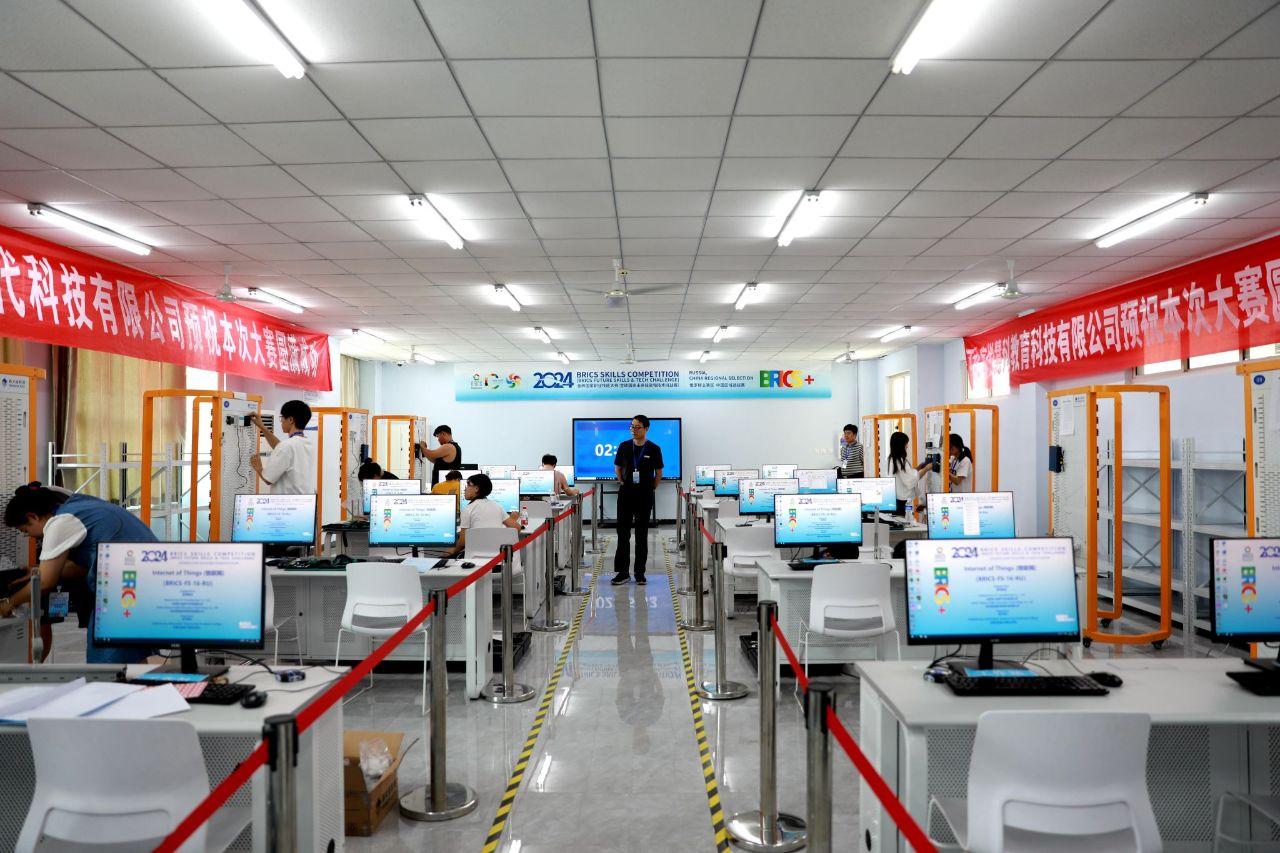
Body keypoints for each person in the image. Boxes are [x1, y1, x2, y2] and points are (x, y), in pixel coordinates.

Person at [0, 483, 157, 663]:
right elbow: (81, 567)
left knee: (108, 667)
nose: (30, 536)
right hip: (145, 581)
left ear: (32, 516)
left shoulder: (61, 523)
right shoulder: (80, 506)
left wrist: (9, 603)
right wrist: (40, 570)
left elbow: (45, 584)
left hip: (125, 589)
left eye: (26, 531)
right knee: (130, 658)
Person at [612, 415, 663, 586]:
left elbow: (658, 473)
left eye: (637, 427)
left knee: (642, 535)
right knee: (623, 534)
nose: (634, 430)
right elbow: (618, 468)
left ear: (646, 429)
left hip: (644, 496)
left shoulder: (654, 448)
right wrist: (622, 482)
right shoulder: (624, 446)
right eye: (632, 426)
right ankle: (623, 572)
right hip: (626, 495)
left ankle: (640, 573)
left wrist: (651, 488)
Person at [250, 400, 316, 495]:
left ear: (290, 420)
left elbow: (267, 479)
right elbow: (281, 448)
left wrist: (258, 467)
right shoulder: (307, 443)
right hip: (304, 500)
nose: (281, 421)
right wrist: (262, 427)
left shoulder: (287, 446)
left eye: (282, 418)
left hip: (287, 502)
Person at [444, 473, 519, 557]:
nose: (465, 489)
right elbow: (517, 528)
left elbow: (463, 542)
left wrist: (449, 552)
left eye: (468, 485)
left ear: (476, 488)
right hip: (496, 558)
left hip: (474, 558)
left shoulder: (468, 509)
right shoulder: (497, 506)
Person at [888, 431, 932, 517]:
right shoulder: (900, 460)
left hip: (897, 499)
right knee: (904, 521)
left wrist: (919, 467)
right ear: (901, 445)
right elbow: (912, 479)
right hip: (902, 501)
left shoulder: (892, 458)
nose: (907, 446)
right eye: (906, 443)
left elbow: (906, 474)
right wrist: (926, 468)